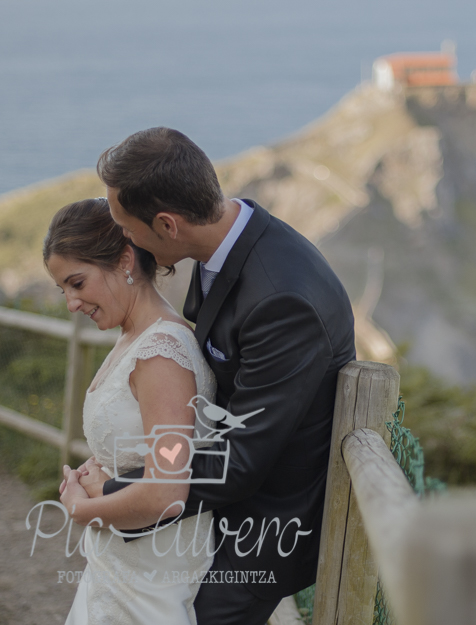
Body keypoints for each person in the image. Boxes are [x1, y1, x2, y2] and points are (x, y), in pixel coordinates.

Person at [86, 126, 357, 624]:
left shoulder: (282, 300)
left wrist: (119, 491)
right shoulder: (226, 246)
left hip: (265, 528)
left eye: (126, 228)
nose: (124, 238)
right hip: (218, 504)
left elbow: (242, 459)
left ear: (167, 225)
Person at [46, 198, 216, 623]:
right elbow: (138, 447)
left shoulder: (161, 356)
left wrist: (82, 509)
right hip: (119, 571)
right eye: (63, 289)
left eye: (78, 283)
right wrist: (91, 472)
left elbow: (165, 493)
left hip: (147, 586)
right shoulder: (133, 339)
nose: (71, 303)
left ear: (124, 259)